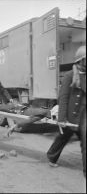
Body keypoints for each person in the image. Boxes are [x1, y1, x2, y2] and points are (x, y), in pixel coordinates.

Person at [47, 46, 86, 176]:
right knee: (63, 137)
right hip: (71, 115)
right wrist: (62, 119)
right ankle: (51, 156)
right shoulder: (70, 75)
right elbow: (63, 98)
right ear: (80, 61)